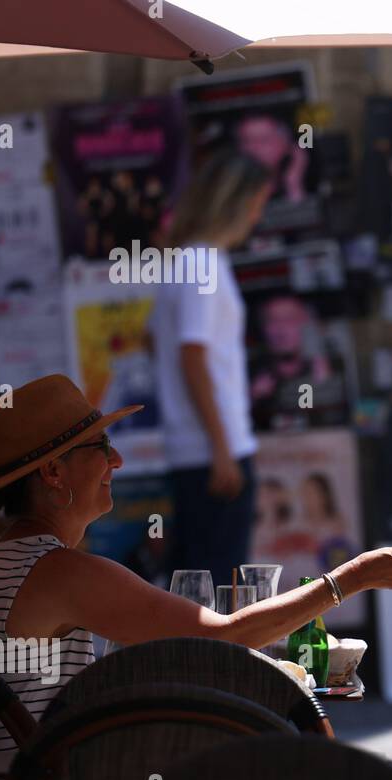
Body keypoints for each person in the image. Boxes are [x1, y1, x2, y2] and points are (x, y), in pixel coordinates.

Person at [0, 374, 392, 780]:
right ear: (54, 472)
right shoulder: (59, 571)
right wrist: (350, 578)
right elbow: (223, 637)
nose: (116, 459)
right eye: (99, 446)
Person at [150, 150, 268, 587]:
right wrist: (220, 445)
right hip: (211, 450)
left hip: (195, 447)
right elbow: (192, 354)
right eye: (256, 201)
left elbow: (159, 344)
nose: (259, 213)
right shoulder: (201, 263)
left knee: (193, 587)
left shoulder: (187, 261)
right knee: (217, 593)